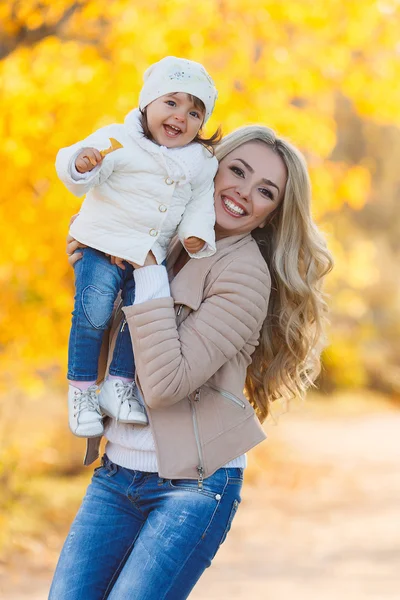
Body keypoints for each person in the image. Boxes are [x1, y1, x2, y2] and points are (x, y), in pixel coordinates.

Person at [49, 124, 333, 600]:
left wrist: (145, 270)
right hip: (117, 472)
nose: (243, 192)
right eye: (237, 171)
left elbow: (163, 384)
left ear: (270, 215)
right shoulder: (161, 236)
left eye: (265, 191)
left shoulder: (244, 275)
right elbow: (112, 364)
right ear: (209, 169)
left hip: (192, 490)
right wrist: (93, 276)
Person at [55, 56, 219, 438]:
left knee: (141, 316)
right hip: (101, 243)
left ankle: (118, 384)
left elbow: (199, 202)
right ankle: (82, 390)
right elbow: (76, 169)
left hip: (150, 255)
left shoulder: (199, 163)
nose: (182, 116)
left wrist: (196, 234)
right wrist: (82, 164)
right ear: (147, 103)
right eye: (172, 103)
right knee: (93, 313)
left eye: (195, 112)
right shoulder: (118, 138)